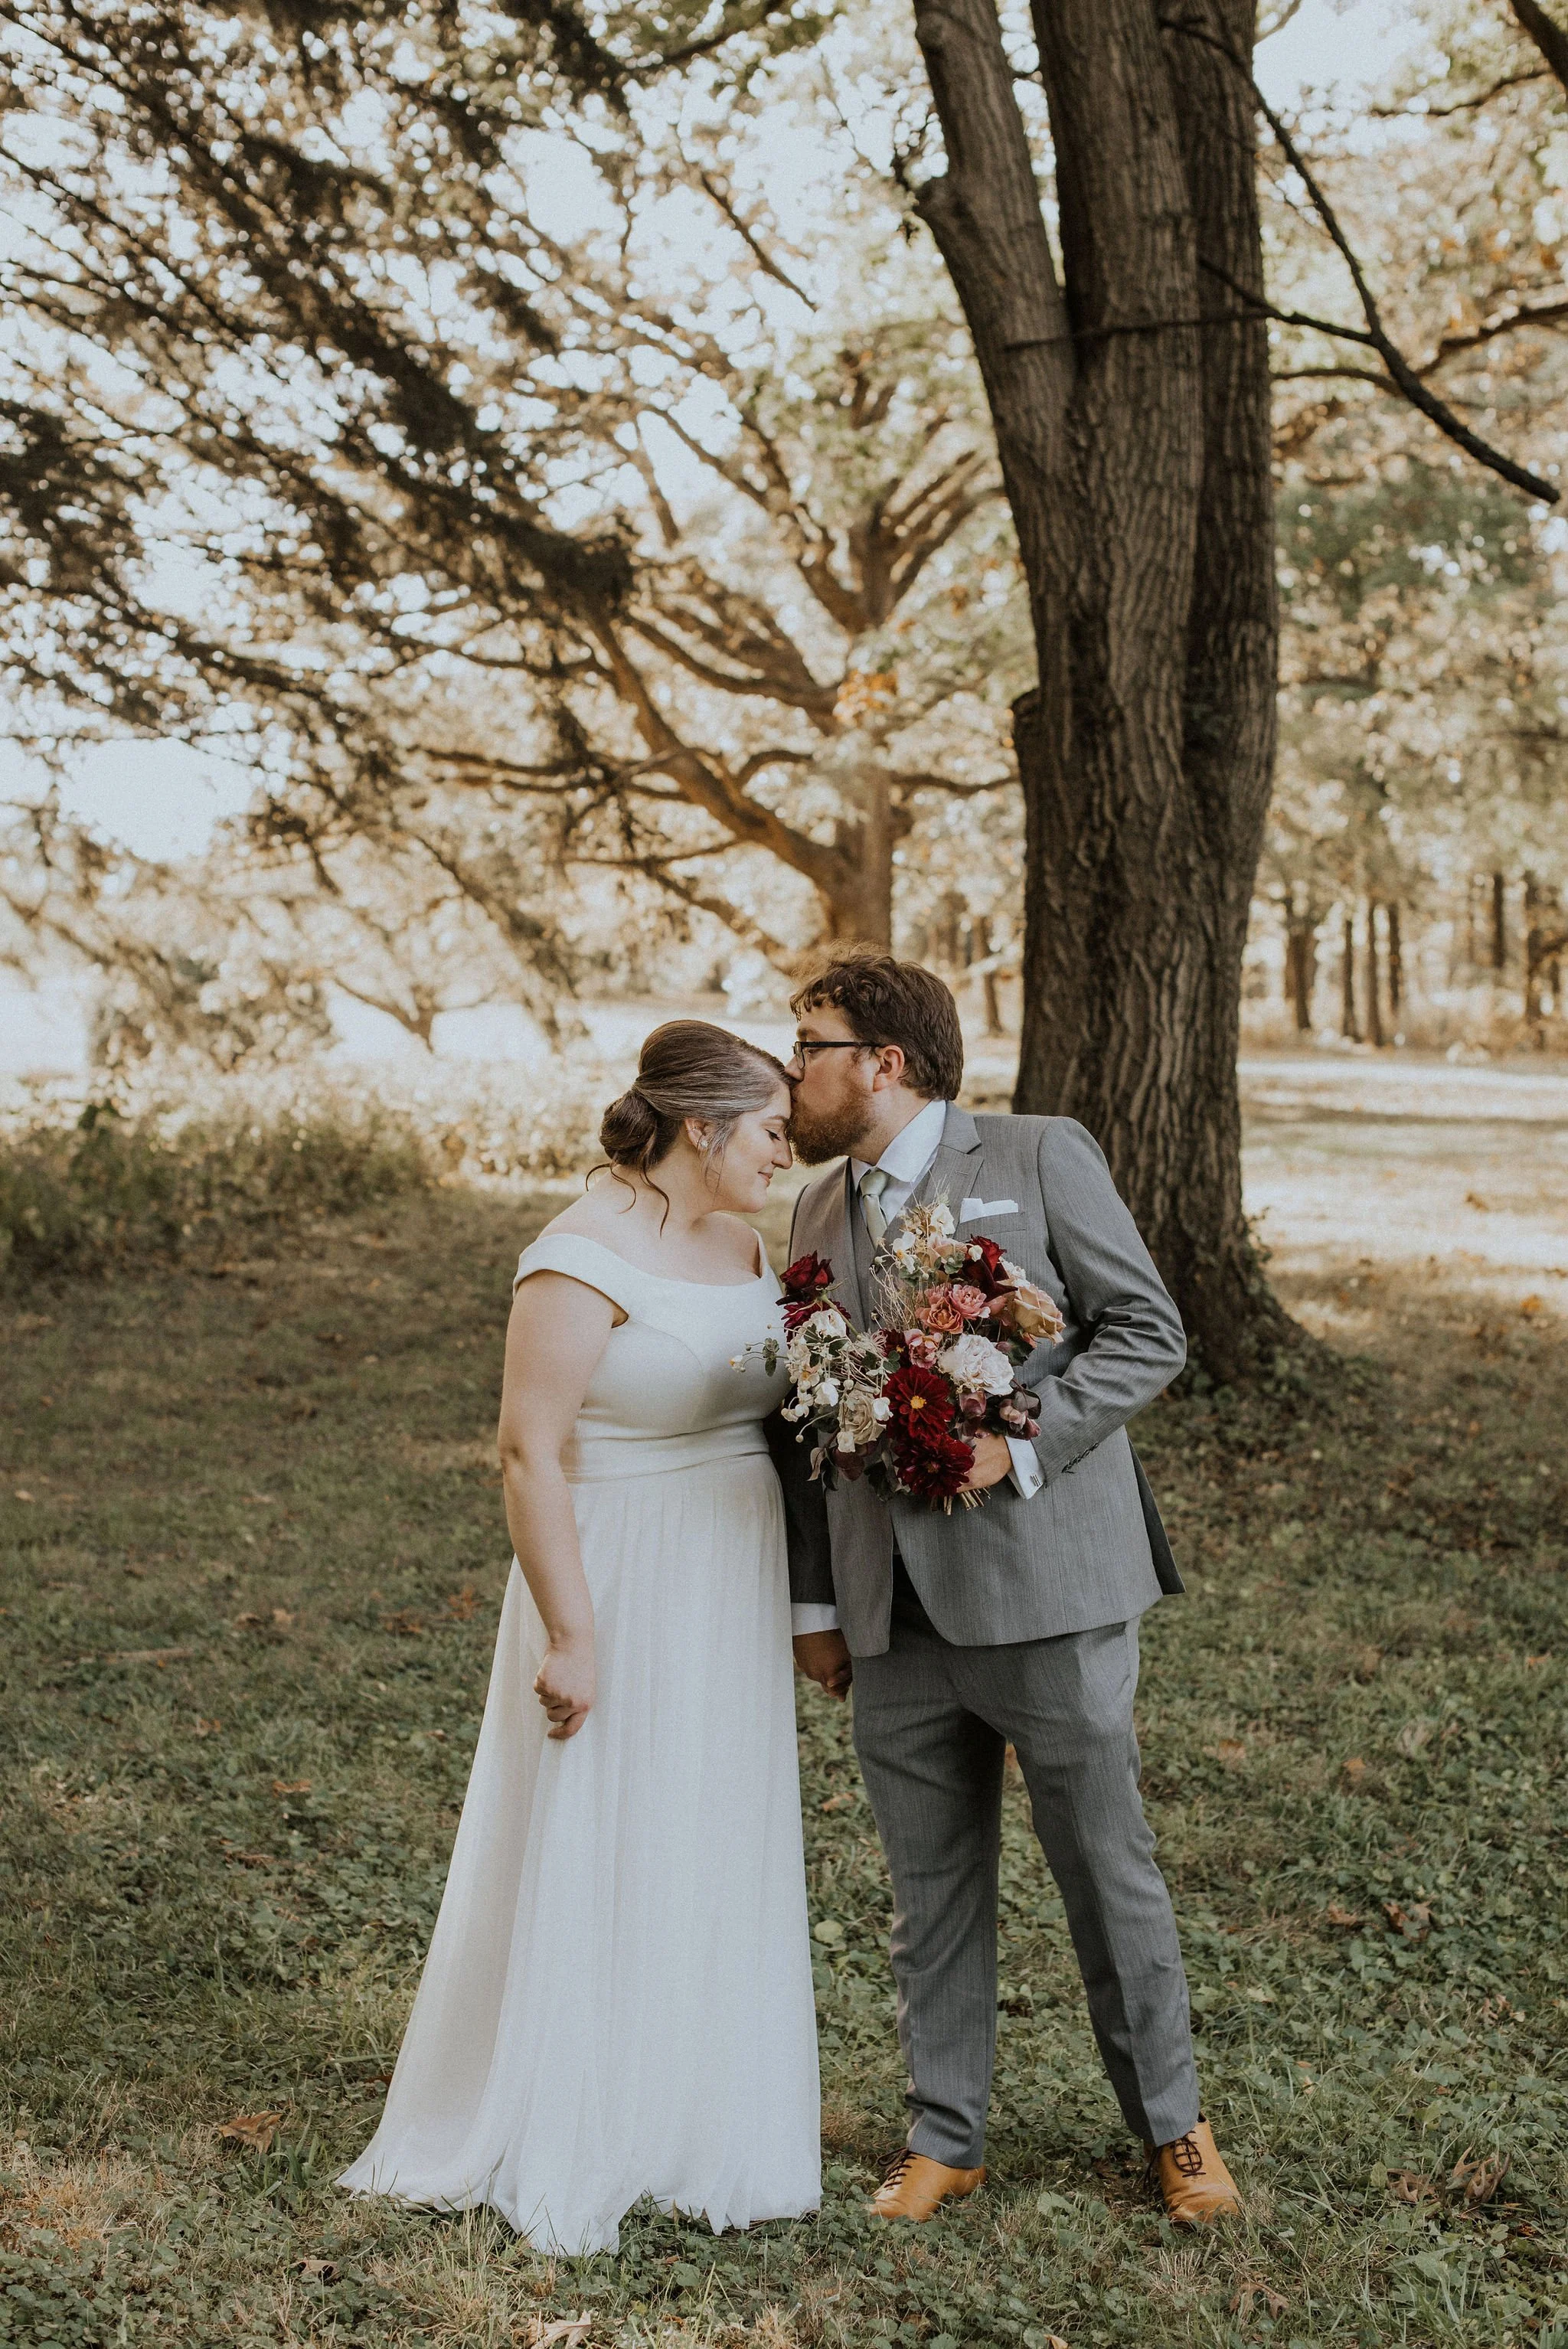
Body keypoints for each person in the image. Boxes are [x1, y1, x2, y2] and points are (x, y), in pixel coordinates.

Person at [338, 1022, 821, 2253]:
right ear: (702, 1128)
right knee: (604, 1821)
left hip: (731, 1572)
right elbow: (527, 1452)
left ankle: (697, 2115)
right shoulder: (575, 1256)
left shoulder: (741, 1241)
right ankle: (579, 2112)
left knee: (705, 1823)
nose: (788, 1150)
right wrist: (573, 1632)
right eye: (772, 1130)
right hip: (616, 1572)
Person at [780, 949, 1240, 2228]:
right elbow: (804, 1417)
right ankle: (946, 2135)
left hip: (1047, 1592)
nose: (791, 1072)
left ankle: (1175, 2129)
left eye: (810, 1046)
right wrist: (818, 1607)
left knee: (1105, 1868)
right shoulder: (812, 1212)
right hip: (890, 1609)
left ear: (884, 1061)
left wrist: (1020, 1446)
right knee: (927, 1887)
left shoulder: (1038, 1156)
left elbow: (1146, 1331)